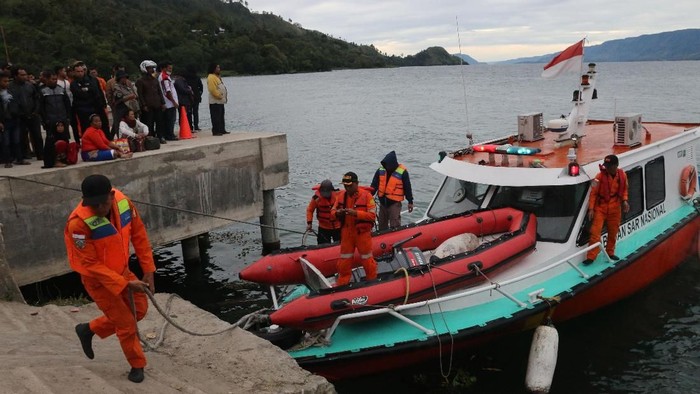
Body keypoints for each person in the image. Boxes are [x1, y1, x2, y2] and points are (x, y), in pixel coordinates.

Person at [65, 174, 156, 383]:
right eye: (93, 205)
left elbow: (139, 235)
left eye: (102, 204)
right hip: (98, 281)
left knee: (139, 311)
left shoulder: (124, 203)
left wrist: (148, 269)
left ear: (111, 195)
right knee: (125, 324)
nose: (98, 209)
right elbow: (89, 264)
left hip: (122, 272)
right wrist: (124, 284)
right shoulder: (78, 224)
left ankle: (89, 329)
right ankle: (137, 365)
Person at [331, 172, 378, 286]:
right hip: (346, 233)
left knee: (367, 260)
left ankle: (372, 283)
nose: (347, 188)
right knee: (344, 261)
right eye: (345, 185)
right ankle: (342, 284)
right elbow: (332, 214)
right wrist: (338, 213)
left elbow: (372, 216)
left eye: (349, 185)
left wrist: (356, 213)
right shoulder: (341, 196)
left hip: (362, 234)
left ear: (356, 184)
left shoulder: (367, 196)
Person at [583, 154, 630, 265]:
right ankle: (591, 256)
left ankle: (610, 252)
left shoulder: (623, 176)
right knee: (595, 232)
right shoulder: (599, 177)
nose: (607, 168)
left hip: (615, 208)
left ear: (616, 166)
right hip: (601, 207)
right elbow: (593, 193)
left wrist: (625, 201)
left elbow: (624, 190)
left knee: (613, 232)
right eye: (606, 166)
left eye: (609, 166)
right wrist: (591, 209)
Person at [370, 150, 414, 230]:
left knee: (395, 225)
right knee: (382, 225)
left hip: (394, 204)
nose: (386, 167)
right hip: (382, 203)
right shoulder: (380, 171)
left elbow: (407, 187)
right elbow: (374, 186)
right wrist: (368, 197)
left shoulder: (402, 172)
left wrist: (410, 201)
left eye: (387, 165)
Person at [136, 60, 166, 144]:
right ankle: (151, 137)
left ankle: (160, 136)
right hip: (148, 105)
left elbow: (159, 92)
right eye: (149, 68)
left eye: (152, 68)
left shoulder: (155, 80)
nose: (152, 70)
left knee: (160, 121)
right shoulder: (140, 81)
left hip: (157, 104)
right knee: (149, 122)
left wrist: (163, 103)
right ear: (144, 69)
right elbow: (140, 94)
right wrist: (143, 105)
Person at [306, 179, 341, 244]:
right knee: (322, 245)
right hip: (323, 227)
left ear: (331, 190)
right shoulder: (316, 198)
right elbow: (310, 210)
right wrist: (309, 223)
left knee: (341, 245)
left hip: (337, 226)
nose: (325, 195)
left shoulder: (339, 196)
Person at [157, 62, 179, 141]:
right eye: (169, 68)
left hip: (169, 103)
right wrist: (174, 102)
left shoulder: (166, 76)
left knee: (168, 120)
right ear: (164, 68)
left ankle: (168, 134)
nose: (171, 70)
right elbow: (167, 92)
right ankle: (170, 135)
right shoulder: (164, 77)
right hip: (169, 103)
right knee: (170, 120)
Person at [207, 63, 228, 135]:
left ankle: (222, 129)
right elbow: (212, 89)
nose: (219, 69)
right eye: (217, 68)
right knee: (216, 117)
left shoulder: (217, 77)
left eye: (219, 68)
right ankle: (216, 131)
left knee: (221, 116)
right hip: (215, 101)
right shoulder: (211, 77)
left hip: (220, 101)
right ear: (213, 69)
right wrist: (220, 95)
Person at [183, 65, 203, 131]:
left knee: (189, 112)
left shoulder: (185, 78)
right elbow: (201, 87)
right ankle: (196, 126)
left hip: (188, 96)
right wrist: (199, 93)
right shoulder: (196, 77)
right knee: (195, 112)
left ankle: (190, 126)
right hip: (196, 96)